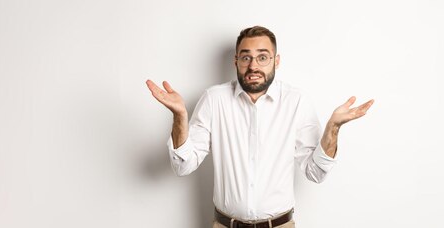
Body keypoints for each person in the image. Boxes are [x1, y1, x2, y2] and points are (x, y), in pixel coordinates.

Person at [146, 26, 374, 228]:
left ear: (276, 61)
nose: (253, 65)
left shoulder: (296, 101)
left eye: (263, 57)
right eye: (246, 58)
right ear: (236, 61)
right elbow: (183, 166)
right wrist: (179, 116)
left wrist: (333, 128)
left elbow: (315, 172)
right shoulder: (214, 99)